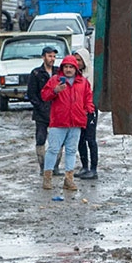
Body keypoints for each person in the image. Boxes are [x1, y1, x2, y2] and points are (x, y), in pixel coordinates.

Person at [40, 52, 93, 201]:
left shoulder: (83, 82)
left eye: (71, 67)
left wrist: (88, 110)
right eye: (66, 67)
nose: (68, 69)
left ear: (76, 68)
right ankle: (47, 177)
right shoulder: (55, 80)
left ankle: (68, 179)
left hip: (75, 122)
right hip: (58, 122)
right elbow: (44, 95)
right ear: (62, 68)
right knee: (53, 150)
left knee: (71, 151)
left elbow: (88, 98)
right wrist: (55, 91)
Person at [22, 44, 59, 170]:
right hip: (41, 112)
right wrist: (40, 106)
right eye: (49, 56)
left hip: (56, 112)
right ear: (43, 57)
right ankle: (43, 166)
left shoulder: (58, 72)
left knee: (57, 141)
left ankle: (55, 166)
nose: (52, 59)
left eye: (54, 56)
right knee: (41, 139)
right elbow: (31, 94)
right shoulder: (36, 73)